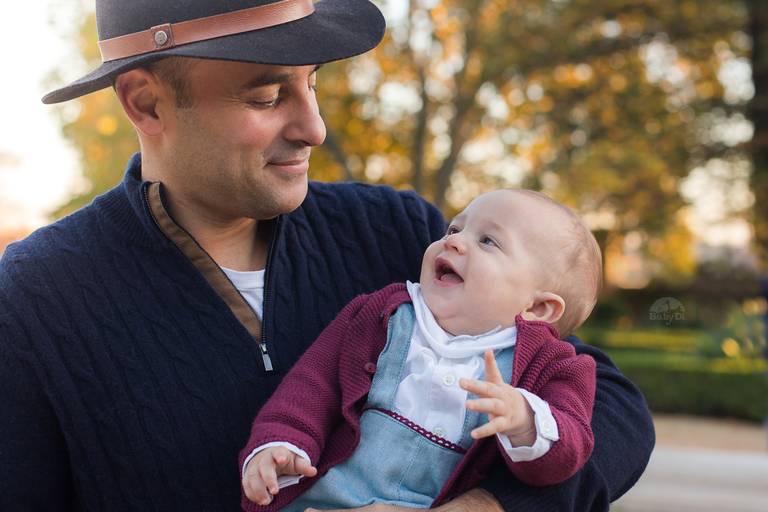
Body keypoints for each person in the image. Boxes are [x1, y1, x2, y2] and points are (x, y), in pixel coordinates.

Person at [0, 0, 654, 511]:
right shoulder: (33, 301)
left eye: (311, 83)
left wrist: (480, 510)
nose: (313, 127)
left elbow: (611, 410)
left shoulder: (396, 233)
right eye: (265, 96)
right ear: (147, 102)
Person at [240, 189, 600, 511]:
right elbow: (311, 388)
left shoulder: (556, 369)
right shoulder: (382, 315)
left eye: (488, 241)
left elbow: (569, 452)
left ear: (537, 309)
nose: (455, 242)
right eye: (455, 229)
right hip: (323, 499)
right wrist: (282, 445)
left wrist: (524, 420)